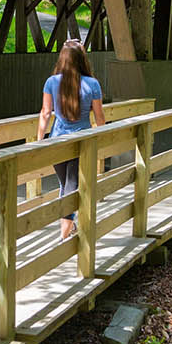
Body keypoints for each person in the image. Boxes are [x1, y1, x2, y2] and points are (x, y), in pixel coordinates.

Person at [37, 39, 106, 240]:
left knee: (65, 185)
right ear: (82, 59)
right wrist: (101, 137)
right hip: (81, 140)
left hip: (57, 139)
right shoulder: (92, 84)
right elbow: (99, 117)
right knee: (71, 185)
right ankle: (64, 235)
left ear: (63, 59)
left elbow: (45, 112)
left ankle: (67, 228)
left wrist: (40, 139)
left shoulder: (51, 82)